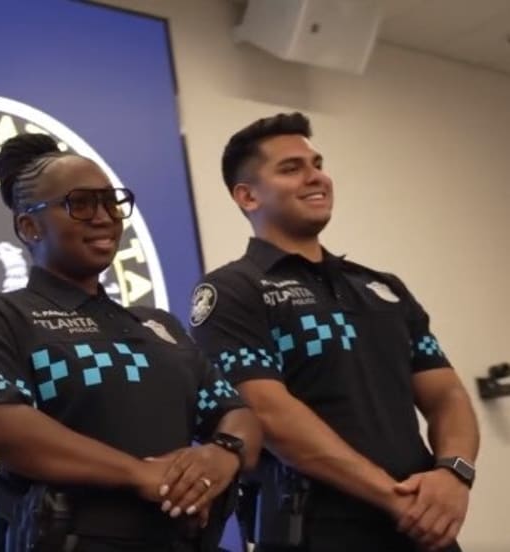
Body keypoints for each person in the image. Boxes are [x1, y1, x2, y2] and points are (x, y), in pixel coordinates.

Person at [189, 112, 479, 552]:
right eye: (291, 168)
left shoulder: (383, 287)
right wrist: (393, 497)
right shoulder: (232, 289)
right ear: (247, 196)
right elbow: (269, 414)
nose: (316, 177)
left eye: (317, 164)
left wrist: (454, 474)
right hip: (319, 530)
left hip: (424, 527)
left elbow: (447, 396)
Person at [0, 133, 263, 552]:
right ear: (29, 226)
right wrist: (140, 476)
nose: (104, 217)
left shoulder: (160, 325)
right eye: (81, 204)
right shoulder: (3, 316)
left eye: (111, 202)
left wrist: (220, 455)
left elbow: (236, 413)